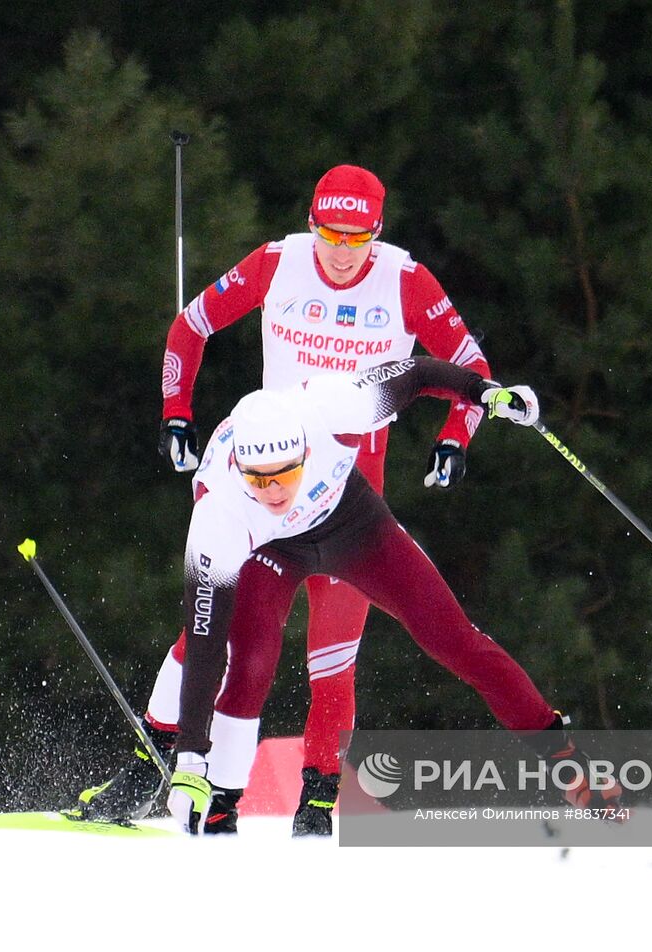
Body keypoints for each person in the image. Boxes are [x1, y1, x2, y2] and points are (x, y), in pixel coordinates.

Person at [80, 165, 495, 836]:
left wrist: (455, 437)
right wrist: (175, 414)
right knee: (215, 633)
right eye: (330, 233)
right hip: (268, 489)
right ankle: (150, 764)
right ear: (311, 224)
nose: (341, 250)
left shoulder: (405, 280)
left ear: (376, 233)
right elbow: (189, 328)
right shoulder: (278, 262)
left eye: (356, 236)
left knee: (332, 659)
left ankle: (320, 799)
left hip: (352, 504)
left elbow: (471, 368)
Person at [158, 357, 624, 834]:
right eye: (260, 478)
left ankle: (564, 757)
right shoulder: (218, 512)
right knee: (251, 659)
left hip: (352, 523)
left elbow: (419, 373)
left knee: (453, 638)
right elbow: (204, 639)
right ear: (239, 467)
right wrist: (191, 759)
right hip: (270, 549)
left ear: (304, 450)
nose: (275, 490)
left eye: (285, 473)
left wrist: (484, 392)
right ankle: (218, 800)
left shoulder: (335, 405)